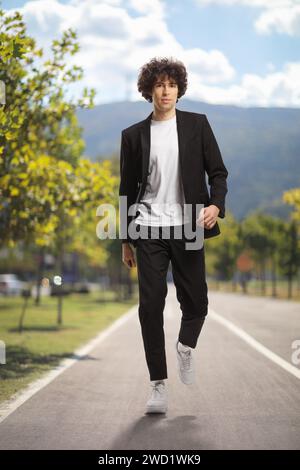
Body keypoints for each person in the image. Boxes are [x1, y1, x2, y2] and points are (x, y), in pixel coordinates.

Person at [119, 57, 228, 414]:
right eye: (159, 85)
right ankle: (158, 386)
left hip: (190, 225)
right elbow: (126, 189)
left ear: (179, 90)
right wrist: (125, 240)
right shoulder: (133, 136)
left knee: (196, 303)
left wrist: (215, 205)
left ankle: (185, 347)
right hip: (148, 227)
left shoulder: (197, 125)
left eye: (171, 85)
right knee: (150, 306)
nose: (165, 91)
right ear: (148, 90)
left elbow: (218, 172)